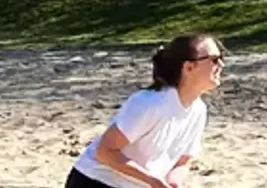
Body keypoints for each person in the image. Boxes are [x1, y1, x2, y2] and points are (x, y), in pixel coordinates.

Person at [66, 34, 223, 188]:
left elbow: (183, 161)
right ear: (189, 67)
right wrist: (153, 181)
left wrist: (174, 182)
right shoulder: (151, 104)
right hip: (95, 181)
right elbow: (104, 152)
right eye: (215, 59)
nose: (221, 65)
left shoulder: (198, 111)